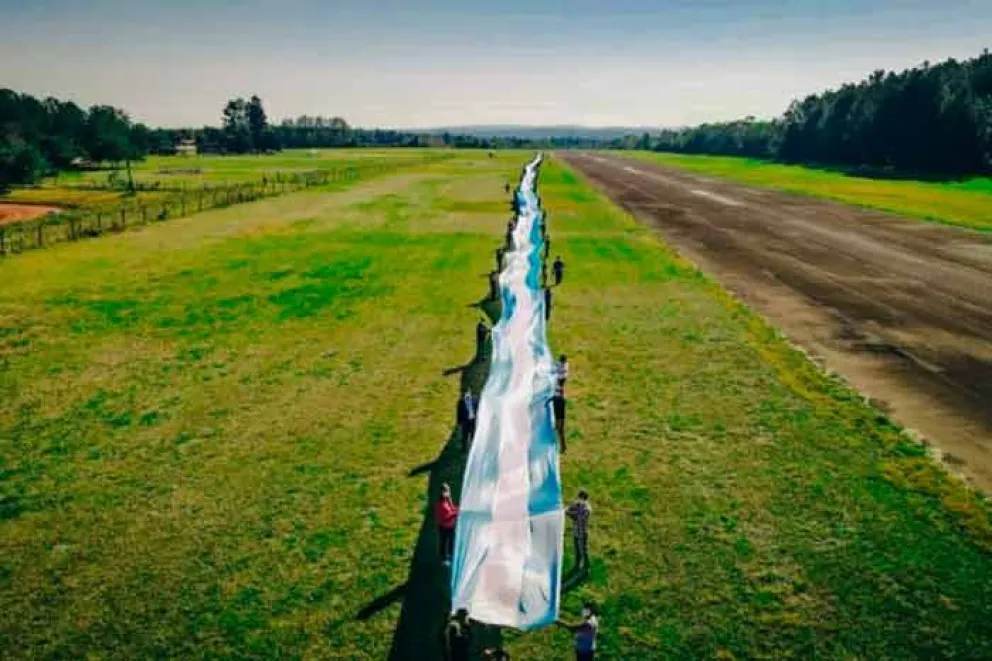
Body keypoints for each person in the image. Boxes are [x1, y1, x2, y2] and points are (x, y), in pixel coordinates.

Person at [566, 490, 591, 573]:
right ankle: (577, 566)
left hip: (582, 533)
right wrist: (568, 509)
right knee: (577, 551)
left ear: (584, 498)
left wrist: (568, 513)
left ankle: (586, 567)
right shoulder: (577, 505)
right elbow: (570, 508)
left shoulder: (587, 509)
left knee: (583, 550)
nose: (579, 499)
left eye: (580, 498)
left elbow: (578, 518)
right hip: (576, 532)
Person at [435, 483, 459, 566]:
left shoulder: (447, 500)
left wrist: (457, 509)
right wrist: (455, 514)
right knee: (444, 542)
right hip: (444, 527)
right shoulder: (441, 505)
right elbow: (445, 518)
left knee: (451, 541)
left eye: (448, 490)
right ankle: (444, 559)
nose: (448, 493)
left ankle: (450, 555)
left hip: (450, 526)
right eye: (446, 491)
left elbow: (452, 508)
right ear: (442, 492)